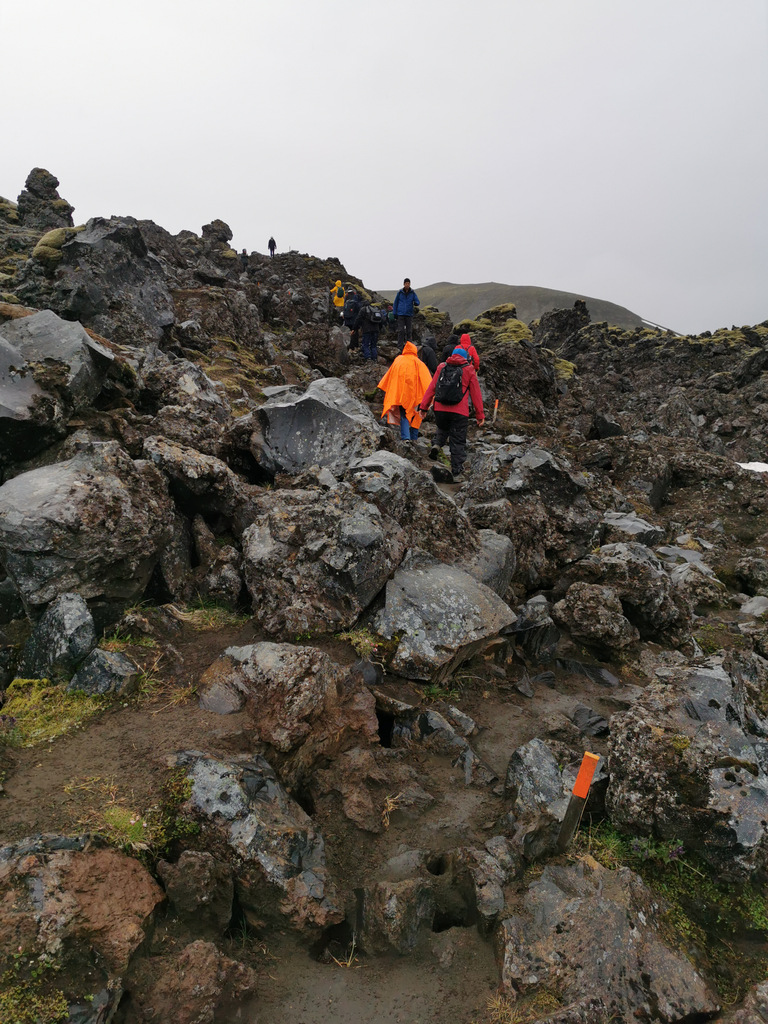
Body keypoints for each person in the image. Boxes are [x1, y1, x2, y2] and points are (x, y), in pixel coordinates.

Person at [419, 344, 485, 482]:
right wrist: (480, 415)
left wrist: (423, 408)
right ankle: (457, 472)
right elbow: (476, 395)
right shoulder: (469, 369)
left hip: (440, 409)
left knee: (443, 427)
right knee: (457, 441)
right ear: (465, 358)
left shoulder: (441, 367)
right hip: (459, 412)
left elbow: (432, 388)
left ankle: (437, 444)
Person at [378, 341, 434, 442]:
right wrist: (429, 397)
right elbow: (427, 382)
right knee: (416, 415)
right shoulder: (419, 363)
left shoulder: (398, 360)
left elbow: (390, 376)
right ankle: (414, 438)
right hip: (416, 395)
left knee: (404, 415)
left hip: (400, 394)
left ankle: (406, 438)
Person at [393, 278, 420, 345]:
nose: (407, 285)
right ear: (404, 284)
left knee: (409, 331)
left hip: (409, 314)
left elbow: (417, 301)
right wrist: (395, 313)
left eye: (408, 283)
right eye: (406, 283)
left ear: (410, 284)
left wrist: (416, 303)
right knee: (401, 331)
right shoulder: (400, 292)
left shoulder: (412, 293)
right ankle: (400, 346)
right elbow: (395, 303)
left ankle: (409, 346)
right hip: (401, 314)